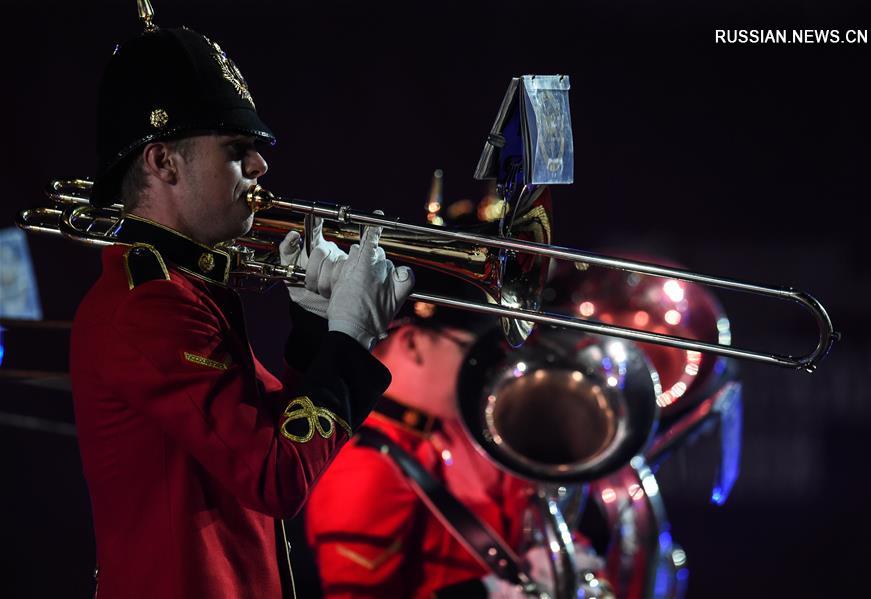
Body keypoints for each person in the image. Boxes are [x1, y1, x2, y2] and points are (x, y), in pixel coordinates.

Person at [69, 23, 413, 599]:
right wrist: (351, 341)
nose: (260, 166)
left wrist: (314, 329)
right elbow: (274, 475)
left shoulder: (183, 289)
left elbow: (253, 437)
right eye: (236, 150)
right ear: (164, 163)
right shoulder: (148, 304)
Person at [303, 269, 539, 598]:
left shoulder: (450, 433)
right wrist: (480, 594)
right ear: (413, 343)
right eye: (472, 353)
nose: (486, 371)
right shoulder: (363, 467)